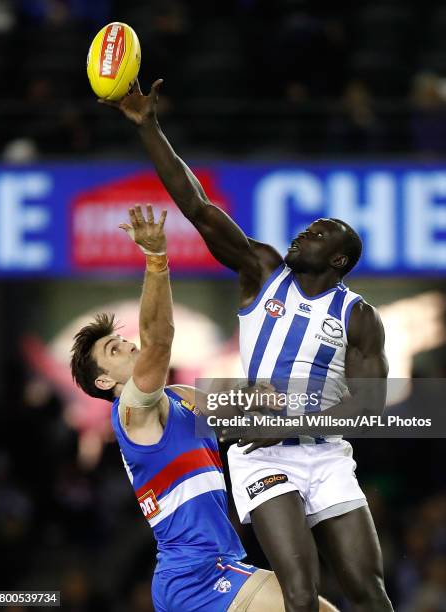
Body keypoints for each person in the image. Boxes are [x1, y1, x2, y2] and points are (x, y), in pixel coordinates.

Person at [99, 81, 394, 612]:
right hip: (262, 457)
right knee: (301, 599)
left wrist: (286, 422)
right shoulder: (261, 270)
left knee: (368, 592)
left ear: (339, 262)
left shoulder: (359, 315)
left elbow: (370, 409)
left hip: (324, 455)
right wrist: (149, 128)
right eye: (309, 226)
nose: (306, 233)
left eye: (321, 233)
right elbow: (197, 205)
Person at [70, 205, 338, 612]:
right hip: (195, 577)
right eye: (113, 349)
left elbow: (241, 409)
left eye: (120, 339)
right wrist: (157, 260)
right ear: (104, 382)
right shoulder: (130, 411)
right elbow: (159, 341)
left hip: (216, 567)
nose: (127, 344)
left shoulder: (177, 395)